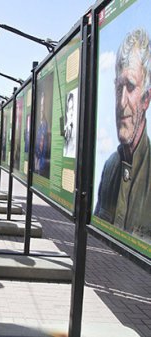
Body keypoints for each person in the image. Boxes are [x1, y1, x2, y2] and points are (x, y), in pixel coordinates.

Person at [94, 28, 151, 241]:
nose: (121, 102)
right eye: (119, 88)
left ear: (146, 98)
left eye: (130, 86)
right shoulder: (110, 167)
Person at [34, 91, 49, 176]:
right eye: (41, 105)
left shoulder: (44, 124)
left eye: (43, 106)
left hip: (41, 158)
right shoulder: (39, 123)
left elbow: (43, 144)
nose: (41, 109)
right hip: (38, 156)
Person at [63, 91, 77, 158]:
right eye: (69, 109)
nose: (71, 112)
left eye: (72, 108)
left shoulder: (74, 129)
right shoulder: (63, 126)